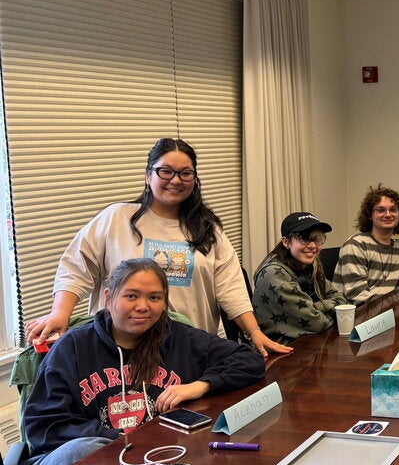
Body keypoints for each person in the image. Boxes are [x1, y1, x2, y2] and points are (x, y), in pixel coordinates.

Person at [24, 138, 291, 357]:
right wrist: (60, 313)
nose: (176, 180)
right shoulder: (117, 218)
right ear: (148, 175)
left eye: (186, 173)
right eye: (166, 171)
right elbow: (76, 267)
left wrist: (254, 332)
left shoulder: (207, 229)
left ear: (195, 180)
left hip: (186, 350)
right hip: (119, 351)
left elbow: (231, 287)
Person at [19, 258, 265, 465]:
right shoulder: (72, 347)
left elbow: (249, 360)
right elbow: (46, 426)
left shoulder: (179, 337)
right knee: (84, 451)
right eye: (131, 296)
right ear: (109, 298)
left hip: (151, 464)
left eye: (154, 297)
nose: (142, 306)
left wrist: (200, 385)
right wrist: (119, 439)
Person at [252, 212, 348, 344]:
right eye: (304, 238)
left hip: (311, 344)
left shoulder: (311, 265)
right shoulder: (274, 274)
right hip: (282, 353)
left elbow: (341, 300)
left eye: (318, 239)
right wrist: (323, 311)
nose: (313, 246)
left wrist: (315, 307)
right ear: (286, 242)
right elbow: (317, 323)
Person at [333, 184, 399, 304]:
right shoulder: (356, 245)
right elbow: (358, 295)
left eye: (393, 209)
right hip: (357, 316)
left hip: (387, 314)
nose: (388, 214)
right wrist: (393, 309)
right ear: (370, 215)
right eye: (380, 210)